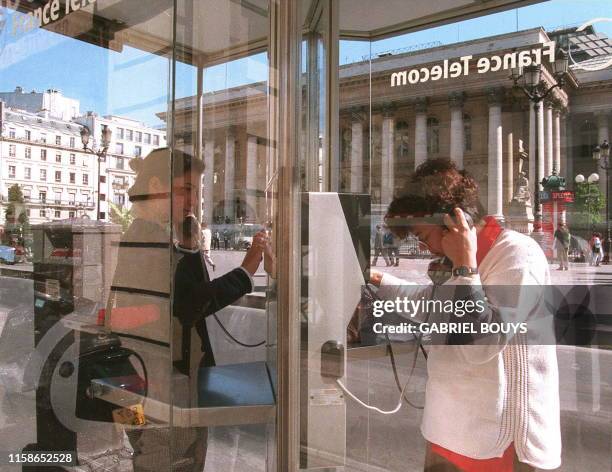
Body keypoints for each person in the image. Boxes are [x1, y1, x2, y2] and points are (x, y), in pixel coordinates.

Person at [371, 158, 560, 472]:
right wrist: (376, 279)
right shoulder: (462, 263)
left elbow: (482, 345)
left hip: (496, 445)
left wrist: (465, 269)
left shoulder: (516, 255)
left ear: (453, 220)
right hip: (448, 430)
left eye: (423, 236)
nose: (424, 248)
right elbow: (429, 303)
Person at [107, 148, 269, 471]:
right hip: (160, 382)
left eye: (197, 191)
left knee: (161, 452)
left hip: (147, 378)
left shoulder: (146, 235)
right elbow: (191, 304)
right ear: (156, 186)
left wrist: (191, 246)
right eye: (186, 190)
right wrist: (246, 271)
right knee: (172, 458)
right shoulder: (148, 238)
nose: (193, 201)